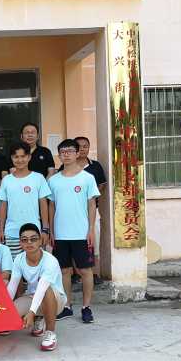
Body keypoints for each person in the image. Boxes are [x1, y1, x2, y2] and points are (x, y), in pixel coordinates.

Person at [48, 139, 100, 324]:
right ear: (59, 155)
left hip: (81, 233)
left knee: (85, 270)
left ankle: (86, 307)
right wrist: (51, 231)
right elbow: (51, 206)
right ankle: (66, 306)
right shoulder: (53, 180)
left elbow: (92, 204)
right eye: (63, 151)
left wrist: (91, 229)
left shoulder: (87, 178)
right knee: (64, 271)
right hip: (60, 234)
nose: (66, 154)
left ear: (77, 153)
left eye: (70, 150)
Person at [6, 224, 67, 351]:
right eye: (24, 240)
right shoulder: (18, 259)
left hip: (55, 299)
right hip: (32, 296)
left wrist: (31, 312)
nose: (29, 242)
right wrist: (4, 309)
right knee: (11, 315)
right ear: (20, 243)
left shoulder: (50, 261)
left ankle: (50, 333)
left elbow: (42, 288)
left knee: (45, 289)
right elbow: (12, 286)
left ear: (40, 241)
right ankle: (39, 318)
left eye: (33, 239)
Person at [57, 136, 107, 285]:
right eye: (80, 146)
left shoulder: (94, 167)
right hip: (66, 221)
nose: (83, 149)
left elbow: (101, 186)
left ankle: (94, 272)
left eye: (85, 146)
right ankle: (74, 274)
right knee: (66, 259)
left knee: (92, 241)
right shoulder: (60, 173)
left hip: (89, 213)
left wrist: (86, 195)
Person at [0, 142, 51, 258]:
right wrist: (1, 229)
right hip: (11, 232)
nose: (20, 160)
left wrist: (45, 229)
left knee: (35, 265)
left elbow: (43, 204)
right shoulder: (6, 180)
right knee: (13, 266)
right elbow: (3, 206)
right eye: (16, 157)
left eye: (23, 156)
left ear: (29, 157)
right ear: (11, 158)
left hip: (34, 232)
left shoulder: (38, 178)